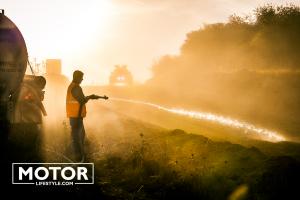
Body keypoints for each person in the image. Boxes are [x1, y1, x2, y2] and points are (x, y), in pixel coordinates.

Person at [66, 70, 108, 162]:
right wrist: (90, 97)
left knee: (78, 136)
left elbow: (82, 99)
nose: (82, 79)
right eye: (81, 77)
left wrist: (95, 97)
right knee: (78, 137)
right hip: (76, 116)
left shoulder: (71, 86)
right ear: (76, 77)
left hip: (73, 115)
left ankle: (79, 156)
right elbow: (82, 100)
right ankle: (79, 158)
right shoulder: (76, 87)